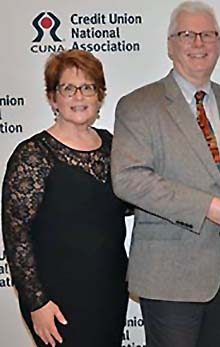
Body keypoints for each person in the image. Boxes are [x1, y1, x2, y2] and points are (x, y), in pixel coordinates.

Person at [110, 2, 220, 347]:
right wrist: (208, 206)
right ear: (169, 45)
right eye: (187, 35)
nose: (198, 43)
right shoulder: (138, 105)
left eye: (208, 34)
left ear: (219, 43)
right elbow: (129, 179)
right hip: (168, 276)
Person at [1, 49, 128, 347]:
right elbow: (16, 234)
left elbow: (130, 200)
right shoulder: (32, 155)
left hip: (109, 290)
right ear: (52, 98)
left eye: (87, 87)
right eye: (68, 88)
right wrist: (36, 303)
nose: (79, 97)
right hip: (56, 300)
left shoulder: (114, 146)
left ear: (100, 96)